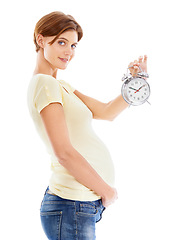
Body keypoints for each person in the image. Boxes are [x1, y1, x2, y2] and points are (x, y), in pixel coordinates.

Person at [27, 11, 148, 240]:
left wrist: (136, 82)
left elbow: (107, 112)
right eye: (62, 42)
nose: (69, 52)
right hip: (71, 203)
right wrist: (106, 190)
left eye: (73, 45)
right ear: (41, 40)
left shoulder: (59, 85)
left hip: (78, 205)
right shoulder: (44, 84)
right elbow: (63, 152)